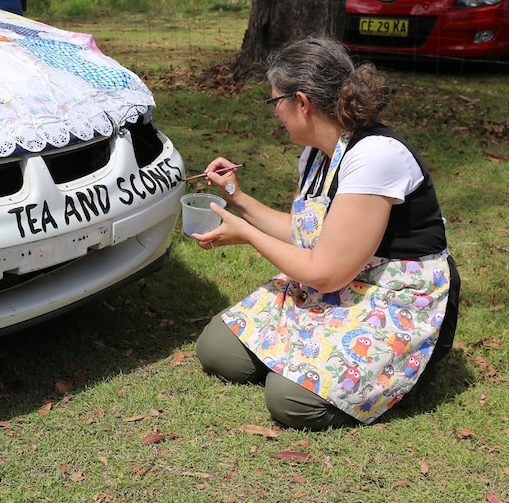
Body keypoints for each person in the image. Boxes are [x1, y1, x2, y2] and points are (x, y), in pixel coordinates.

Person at [193, 37, 460, 430]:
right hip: (336, 283)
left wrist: (248, 235)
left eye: (275, 102)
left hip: (394, 298)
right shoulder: (318, 154)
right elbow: (304, 232)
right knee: (217, 351)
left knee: (290, 401)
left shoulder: (375, 156)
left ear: (301, 102)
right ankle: (311, 359)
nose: (275, 113)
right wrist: (236, 196)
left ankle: (404, 372)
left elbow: (327, 272)